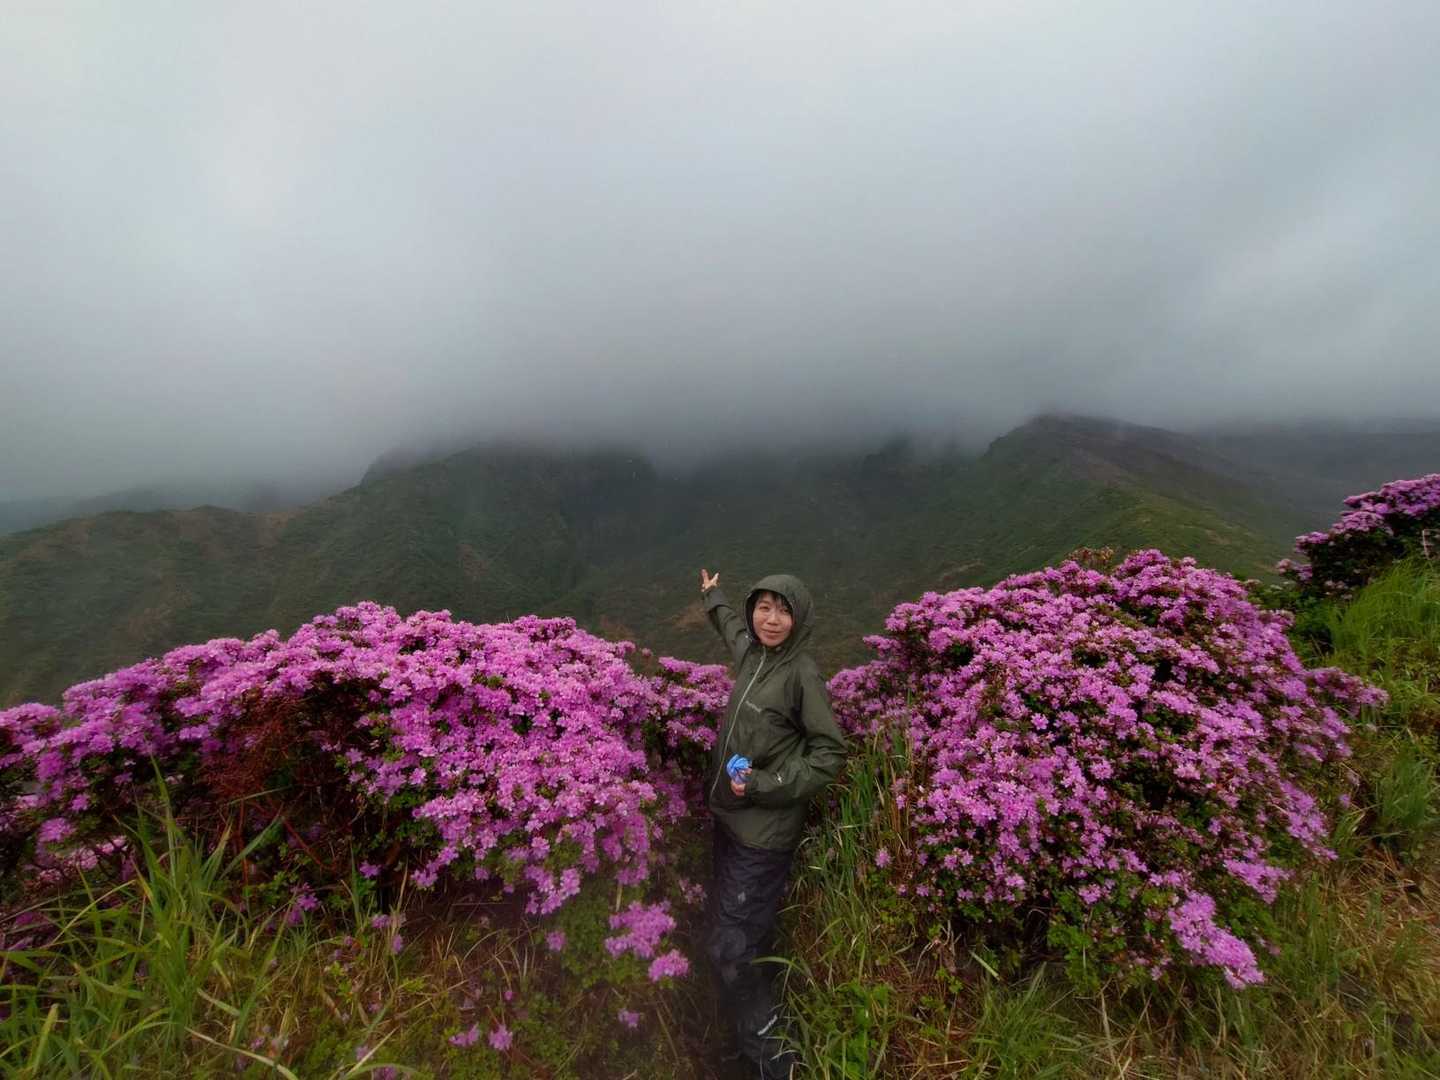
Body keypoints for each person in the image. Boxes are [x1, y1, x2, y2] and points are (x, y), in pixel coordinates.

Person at [697, 568, 848, 1079]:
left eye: (784, 611)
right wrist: (713, 595)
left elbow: (829, 753)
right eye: (764, 607)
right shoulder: (752, 655)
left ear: (799, 619)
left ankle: (774, 1064)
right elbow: (730, 628)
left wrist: (765, 783)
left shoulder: (802, 675)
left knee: (731, 950)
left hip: (761, 840)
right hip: (729, 822)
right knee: (739, 939)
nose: (772, 619)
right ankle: (742, 1045)